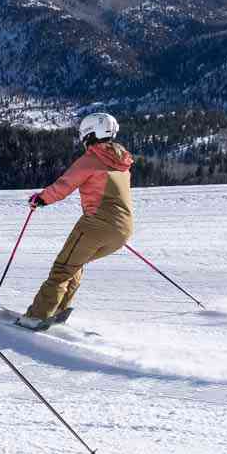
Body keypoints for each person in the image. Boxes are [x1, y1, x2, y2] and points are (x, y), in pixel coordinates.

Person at [16, 112, 134, 331]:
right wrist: (115, 228)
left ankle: (37, 316)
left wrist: (41, 198)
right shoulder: (122, 162)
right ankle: (59, 310)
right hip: (123, 230)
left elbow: (64, 185)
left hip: (96, 225)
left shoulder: (91, 159)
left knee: (63, 267)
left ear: (89, 134)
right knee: (74, 264)